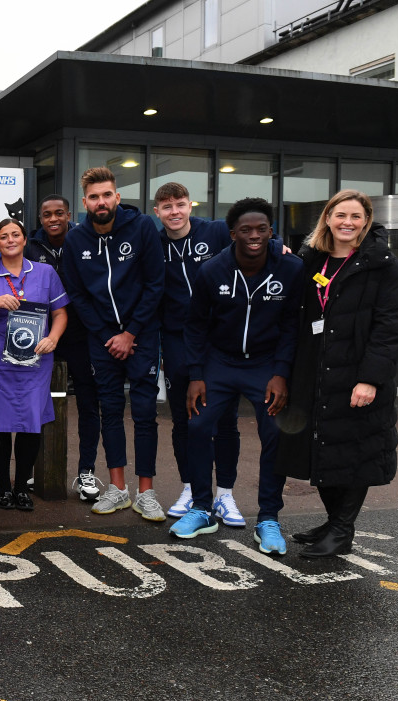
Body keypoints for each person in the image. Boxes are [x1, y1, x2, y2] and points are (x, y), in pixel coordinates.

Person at [277, 189, 398, 558]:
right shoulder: (311, 259)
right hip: (315, 371)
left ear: (365, 222)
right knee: (321, 447)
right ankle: (334, 522)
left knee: (354, 451)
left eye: (355, 216)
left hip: (356, 374)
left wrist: (370, 379)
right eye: (340, 215)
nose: (347, 223)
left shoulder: (381, 264)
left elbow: (390, 326)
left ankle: (342, 529)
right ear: (328, 219)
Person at [170, 197, 303, 556]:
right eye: (246, 230)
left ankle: (269, 518)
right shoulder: (212, 270)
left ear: (271, 232)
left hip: (266, 364)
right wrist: (196, 374)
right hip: (220, 362)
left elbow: (292, 326)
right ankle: (202, 508)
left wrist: (281, 372)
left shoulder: (291, 268)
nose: (254, 235)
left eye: (262, 229)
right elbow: (195, 325)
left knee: (274, 432)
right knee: (198, 425)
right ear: (233, 234)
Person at [61, 166, 165, 521]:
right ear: (85, 202)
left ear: (117, 197)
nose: (101, 202)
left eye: (107, 195)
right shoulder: (76, 240)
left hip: (141, 336)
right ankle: (118, 488)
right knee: (110, 411)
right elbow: (77, 295)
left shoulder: (142, 227)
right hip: (102, 340)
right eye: (94, 197)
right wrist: (109, 336)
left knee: (145, 413)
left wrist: (130, 333)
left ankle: (146, 492)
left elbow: (155, 283)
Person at [154, 182, 242, 525]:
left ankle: (225, 494)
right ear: (157, 212)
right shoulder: (155, 244)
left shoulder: (216, 231)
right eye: (166, 206)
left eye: (180, 204)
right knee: (184, 419)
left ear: (190, 205)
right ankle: (190, 488)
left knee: (226, 419)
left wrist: (280, 247)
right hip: (177, 340)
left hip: (220, 339)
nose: (174, 212)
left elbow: (257, 240)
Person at [0, 218, 67, 511]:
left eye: (15, 235)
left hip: (35, 361)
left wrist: (53, 338)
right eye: (3, 236)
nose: (10, 240)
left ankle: (22, 486)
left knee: (30, 425)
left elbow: (60, 313)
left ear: (25, 240)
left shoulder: (46, 273)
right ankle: (3, 486)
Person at [27, 194, 103, 501]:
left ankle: (86, 472)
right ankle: (37, 468)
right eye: (47, 214)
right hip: (43, 338)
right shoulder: (31, 247)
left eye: (59, 213)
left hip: (82, 337)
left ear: (69, 215)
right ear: (40, 218)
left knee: (88, 404)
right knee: (37, 403)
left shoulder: (85, 240)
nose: (54, 219)